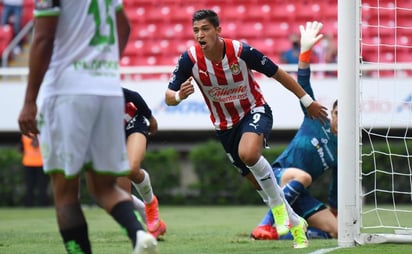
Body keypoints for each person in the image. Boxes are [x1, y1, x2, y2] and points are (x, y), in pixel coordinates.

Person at [165, 9, 329, 249]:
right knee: (260, 184)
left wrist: (306, 100)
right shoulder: (189, 59)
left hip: (254, 110)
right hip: (224, 127)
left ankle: (278, 211)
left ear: (218, 30)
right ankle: (296, 222)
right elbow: (168, 96)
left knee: (249, 154)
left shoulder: (240, 51)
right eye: (196, 30)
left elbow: (278, 73)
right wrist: (179, 95)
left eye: (205, 29)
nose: (200, 35)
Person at [17, 1, 158, 254]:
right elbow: (123, 27)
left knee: (66, 194)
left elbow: (43, 38)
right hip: (108, 92)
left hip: (67, 93)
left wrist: (29, 101)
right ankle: (139, 234)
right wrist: (102, 70)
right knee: (105, 188)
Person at [250, 21, 338, 241]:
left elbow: (337, 187)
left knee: (337, 231)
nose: (341, 118)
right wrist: (306, 51)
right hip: (281, 176)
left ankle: (282, 235)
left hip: (300, 193)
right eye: (339, 113)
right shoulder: (317, 119)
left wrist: (334, 213)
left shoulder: (344, 151)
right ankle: (266, 224)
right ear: (333, 114)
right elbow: (303, 83)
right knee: (303, 175)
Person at [118, 87, 167, 239]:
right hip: (112, 135)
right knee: (119, 196)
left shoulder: (99, 87)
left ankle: (150, 203)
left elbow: (133, 96)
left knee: (132, 169)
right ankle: (154, 224)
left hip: (133, 122)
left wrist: (150, 118)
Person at [20, 134, 50, 207]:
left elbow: (21, 149)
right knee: (41, 186)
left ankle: (29, 204)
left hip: (31, 163)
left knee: (31, 186)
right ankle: (43, 204)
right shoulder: (43, 134)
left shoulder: (24, 135)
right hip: (38, 163)